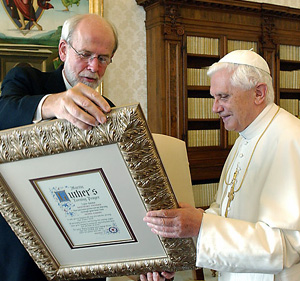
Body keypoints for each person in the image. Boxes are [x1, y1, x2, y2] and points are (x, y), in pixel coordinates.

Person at [0, 14, 173, 281]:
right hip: (25, 252)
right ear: (62, 50)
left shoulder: (110, 110)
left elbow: (124, 186)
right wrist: (54, 104)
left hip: (86, 254)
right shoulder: (27, 79)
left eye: (103, 58)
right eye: (85, 54)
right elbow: (4, 112)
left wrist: (148, 256)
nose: (93, 66)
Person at [143, 50, 300, 280]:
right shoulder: (244, 138)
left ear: (259, 93)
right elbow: (224, 210)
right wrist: (183, 237)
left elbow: (288, 246)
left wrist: (202, 226)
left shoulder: (292, 140)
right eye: (213, 97)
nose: (215, 108)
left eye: (223, 96)